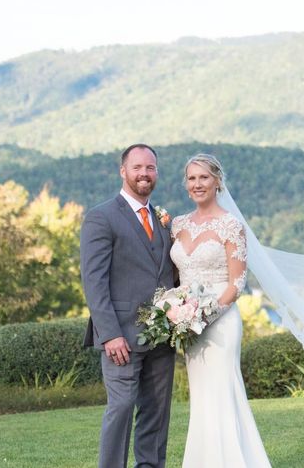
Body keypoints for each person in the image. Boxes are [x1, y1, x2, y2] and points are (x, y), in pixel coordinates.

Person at [170, 154, 271, 468]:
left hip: (220, 322)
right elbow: (174, 278)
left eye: (204, 178)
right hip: (188, 324)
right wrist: (175, 314)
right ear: (186, 184)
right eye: (192, 178)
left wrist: (202, 317)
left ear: (217, 181)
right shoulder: (177, 224)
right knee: (201, 399)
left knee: (222, 394)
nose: (197, 184)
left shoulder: (231, 225)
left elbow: (237, 284)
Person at [80, 143, 177, 468]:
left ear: (156, 173)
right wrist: (109, 334)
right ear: (123, 171)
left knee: (156, 412)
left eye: (150, 168)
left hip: (162, 337)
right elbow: (94, 281)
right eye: (137, 167)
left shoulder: (163, 221)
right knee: (121, 408)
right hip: (121, 337)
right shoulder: (101, 216)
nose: (144, 174)